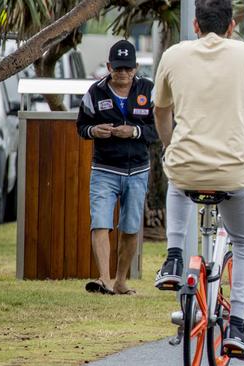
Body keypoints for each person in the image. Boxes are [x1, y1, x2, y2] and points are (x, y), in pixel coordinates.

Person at [151, 0, 244, 360]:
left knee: (178, 180)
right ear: (232, 26)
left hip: (186, 168)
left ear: (195, 25)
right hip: (236, 171)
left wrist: (170, 147)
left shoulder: (174, 55)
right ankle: (238, 325)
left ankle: (174, 257)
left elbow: (160, 110)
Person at [76, 40, 157, 295]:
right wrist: (94, 131)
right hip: (104, 169)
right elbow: (81, 127)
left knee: (131, 227)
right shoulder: (95, 92)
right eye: (118, 68)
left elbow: (158, 130)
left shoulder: (149, 90)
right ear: (109, 66)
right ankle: (104, 279)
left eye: (127, 68)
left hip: (137, 171)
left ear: (135, 68)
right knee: (100, 222)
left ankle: (121, 280)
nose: (123, 73)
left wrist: (133, 131)